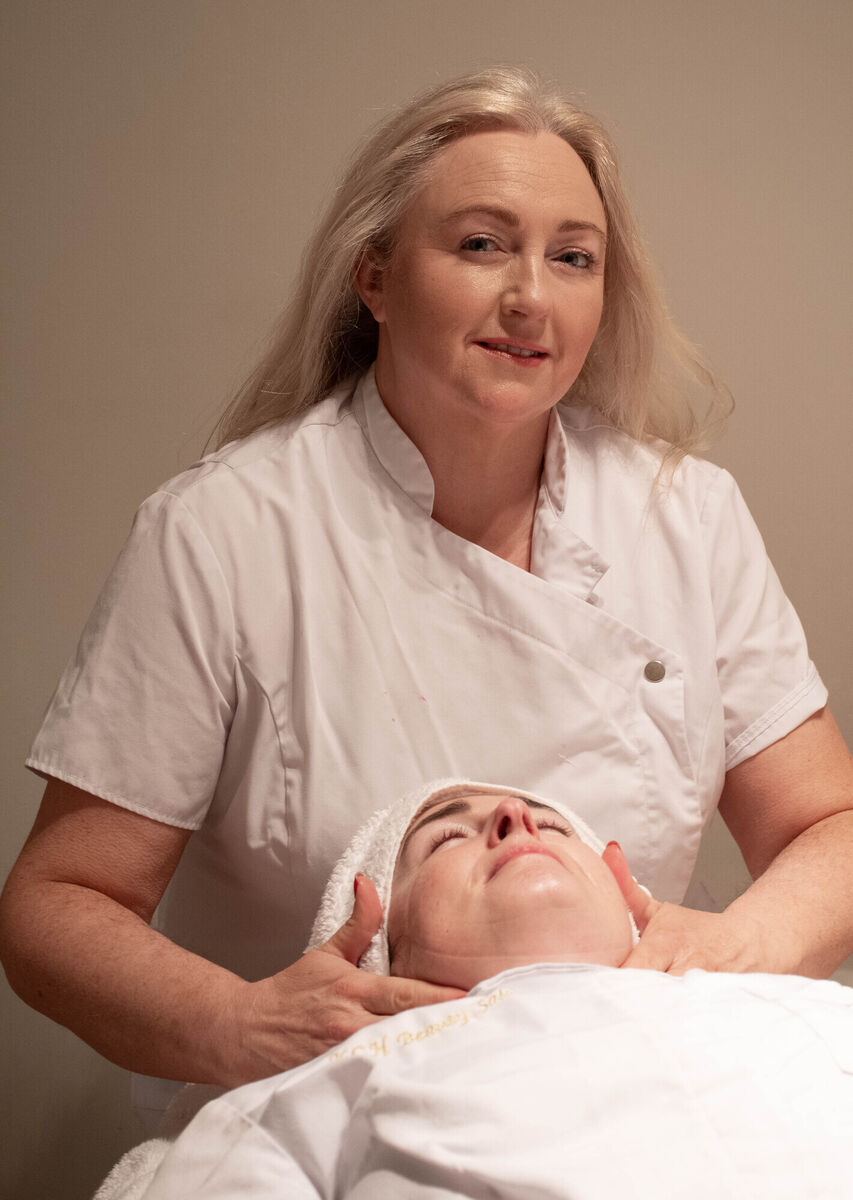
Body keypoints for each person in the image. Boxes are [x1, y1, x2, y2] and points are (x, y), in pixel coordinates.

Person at [2, 66, 852, 1119]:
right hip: (324, 1112)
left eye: (573, 258)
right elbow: (56, 905)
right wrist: (238, 1025)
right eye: (481, 244)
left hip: (631, 1094)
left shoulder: (686, 515)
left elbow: (831, 825)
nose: (530, 297)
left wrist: (735, 949)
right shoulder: (225, 533)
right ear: (375, 275)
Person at [102, 782, 853, 1199]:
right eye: (444, 837)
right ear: (379, 949)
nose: (515, 816)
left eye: (555, 825)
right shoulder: (333, 1080)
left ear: (627, 896)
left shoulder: (794, 1005)